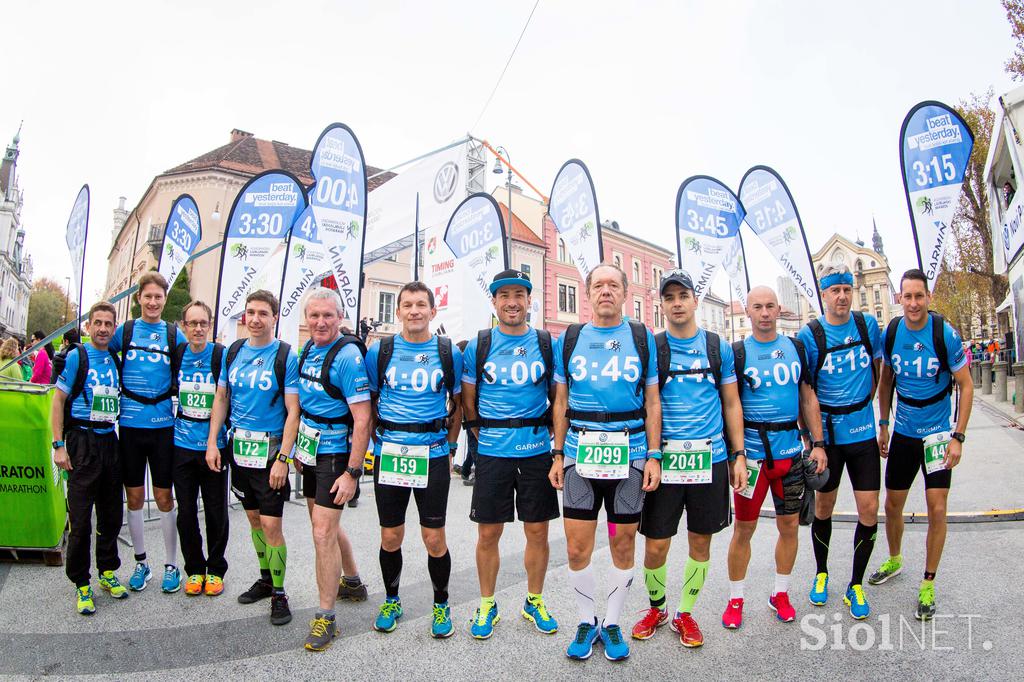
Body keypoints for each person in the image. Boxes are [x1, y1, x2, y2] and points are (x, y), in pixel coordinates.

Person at [549, 263, 662, 662]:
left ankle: (611, 622)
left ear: (626, 292)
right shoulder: (571, 338)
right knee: (577, 547)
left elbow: (652, 402)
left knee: (623, 541)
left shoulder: (641, 337)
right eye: (599, 285)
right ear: (588, 293)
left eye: (614, 285)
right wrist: (558, 453)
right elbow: (560, 402)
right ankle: (586, 619)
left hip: (629, 453)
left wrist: (654, 455)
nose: (606, 291)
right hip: (580, 453)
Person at [632, 270, 746, 648]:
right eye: (670, 297)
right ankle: (657, 607)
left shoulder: (717, 347)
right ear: (661, 304)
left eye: (683, 295)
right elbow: (648, 403)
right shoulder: (654, 346)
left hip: (710, 461)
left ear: (695, 300)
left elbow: (731, 402)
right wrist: (649, 454)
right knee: (655, 545)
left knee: (701, 543)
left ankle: (685, 613)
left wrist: (739, 455)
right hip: (665, 462)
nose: (677, 303)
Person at [869, 269, 973, 621]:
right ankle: (895, 558)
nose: (913, 303)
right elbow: (885, 381)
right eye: (907, 296)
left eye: (919, 296)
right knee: (892, 504)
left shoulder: (945, 334)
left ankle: (928, 582)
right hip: (903, 432)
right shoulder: (893, 332)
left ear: (928, 298)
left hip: (937, 436)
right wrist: (883, 424)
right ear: (899, 299)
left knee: (937, 510)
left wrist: (958, 436)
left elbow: (967, 385)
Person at [461, 269, 559, 640]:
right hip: (493, 451)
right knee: (489, 533)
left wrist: (552, 432)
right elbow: (467, 397)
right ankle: (487, 603)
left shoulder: (546, 342)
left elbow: (556, 393)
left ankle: (534, 600)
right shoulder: (480, 344)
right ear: (495, 302)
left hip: (535, 451)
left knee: (538, 531)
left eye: (519, 294)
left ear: (529, 299)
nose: (512, 302)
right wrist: (475, 429)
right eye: (504, 296)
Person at [723, 286, 827, 629]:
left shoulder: (795, 347)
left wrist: (819, 443)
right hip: (752, 458)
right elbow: (730, 405)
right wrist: (735, 455)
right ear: (747, 312)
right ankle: (736, 598)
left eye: (770, 306)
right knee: (744, 529)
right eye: (758, 307)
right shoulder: (737, 353)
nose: (765, 312)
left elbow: (808, 397)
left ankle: (780, 593)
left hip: (790, 455)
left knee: (789, 527)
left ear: (778, 309)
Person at [365, 281, 463, 638]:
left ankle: (441, 604)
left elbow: (459, 407)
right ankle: (392, 599)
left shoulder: (448, 351)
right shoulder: (381, 351)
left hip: (433, 454)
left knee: (433, 537)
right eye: (407, 305)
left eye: (421, 304)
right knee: (390, 535)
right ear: (398, 311)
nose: (414, 311)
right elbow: (370, 402)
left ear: (432, 311)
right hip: (390, 453)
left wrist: (452, 449)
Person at [206, 290, 300, 626]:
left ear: (275, 317)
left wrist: (283, 459)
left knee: (272, 525)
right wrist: (213, 443)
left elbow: (293, 411)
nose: (255, 319)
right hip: (238, 450)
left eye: (263, 313)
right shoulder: (233, 352)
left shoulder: (286, 355)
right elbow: (221, 398)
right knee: (255, 522)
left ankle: (279, 593)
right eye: (250, 313)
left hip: (270, 453)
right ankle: (265, 578)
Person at [797, 265, 883, 620]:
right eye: (836, 291)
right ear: (824, 294)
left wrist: (867, 411)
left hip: (862, 435)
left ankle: (856, 584)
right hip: (827, 439)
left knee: (868, 511)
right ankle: (821, 573)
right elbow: (805, 392)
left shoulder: (866, 326)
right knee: (824, 509)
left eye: (847, 289)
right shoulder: (810, 334)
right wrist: (812, 438)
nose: (843, 296)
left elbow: (878, 371)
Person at [295, 288, 372, 651]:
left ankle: (325, 617)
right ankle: (352, 582)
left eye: (328, 315)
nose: (321, 322)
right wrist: (296, 447)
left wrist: (352, 473)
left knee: (322, 533)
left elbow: (362, 420)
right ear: (306, 318)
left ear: (339, 317)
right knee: (322, 525)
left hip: (335, 456)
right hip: (311, 450)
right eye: (314, 316)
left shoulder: (348, 357)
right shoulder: (308, 348)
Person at [109, 272, 187, 594]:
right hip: (129, 427)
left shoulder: (173, 334)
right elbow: (101, 354)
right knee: (136, 497)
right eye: (148, 296)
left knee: (165, 497)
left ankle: (172, 564)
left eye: (159, 297)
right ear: (138, 298)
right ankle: (142, 563)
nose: (153, 302)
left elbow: (193, 362)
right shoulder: (124, 332)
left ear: (164, 300)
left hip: (162, 428)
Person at [51, 302, 127, 614]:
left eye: (109, 324)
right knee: (81, 520)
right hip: (81, 441)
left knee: (111, 515)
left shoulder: (114, 358)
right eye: (98, 323)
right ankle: (82, 583)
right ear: (89, 326)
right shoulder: (76, 357)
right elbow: (58, 401)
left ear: (114, 327)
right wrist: (58, 445)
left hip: (109, 439)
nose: (103, 329)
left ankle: (107, 571)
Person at [170, 301, 230, 598]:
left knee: (216, 510)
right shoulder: (179, 354)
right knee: (186, 512)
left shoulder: (220, 355)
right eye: (192, 323)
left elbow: (227, 397)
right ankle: (194, 569)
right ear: (184, 326)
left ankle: (216, 569)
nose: (197, 329)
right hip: (181, 445)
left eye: (202, 323)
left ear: (210, 326)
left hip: (214, 446)